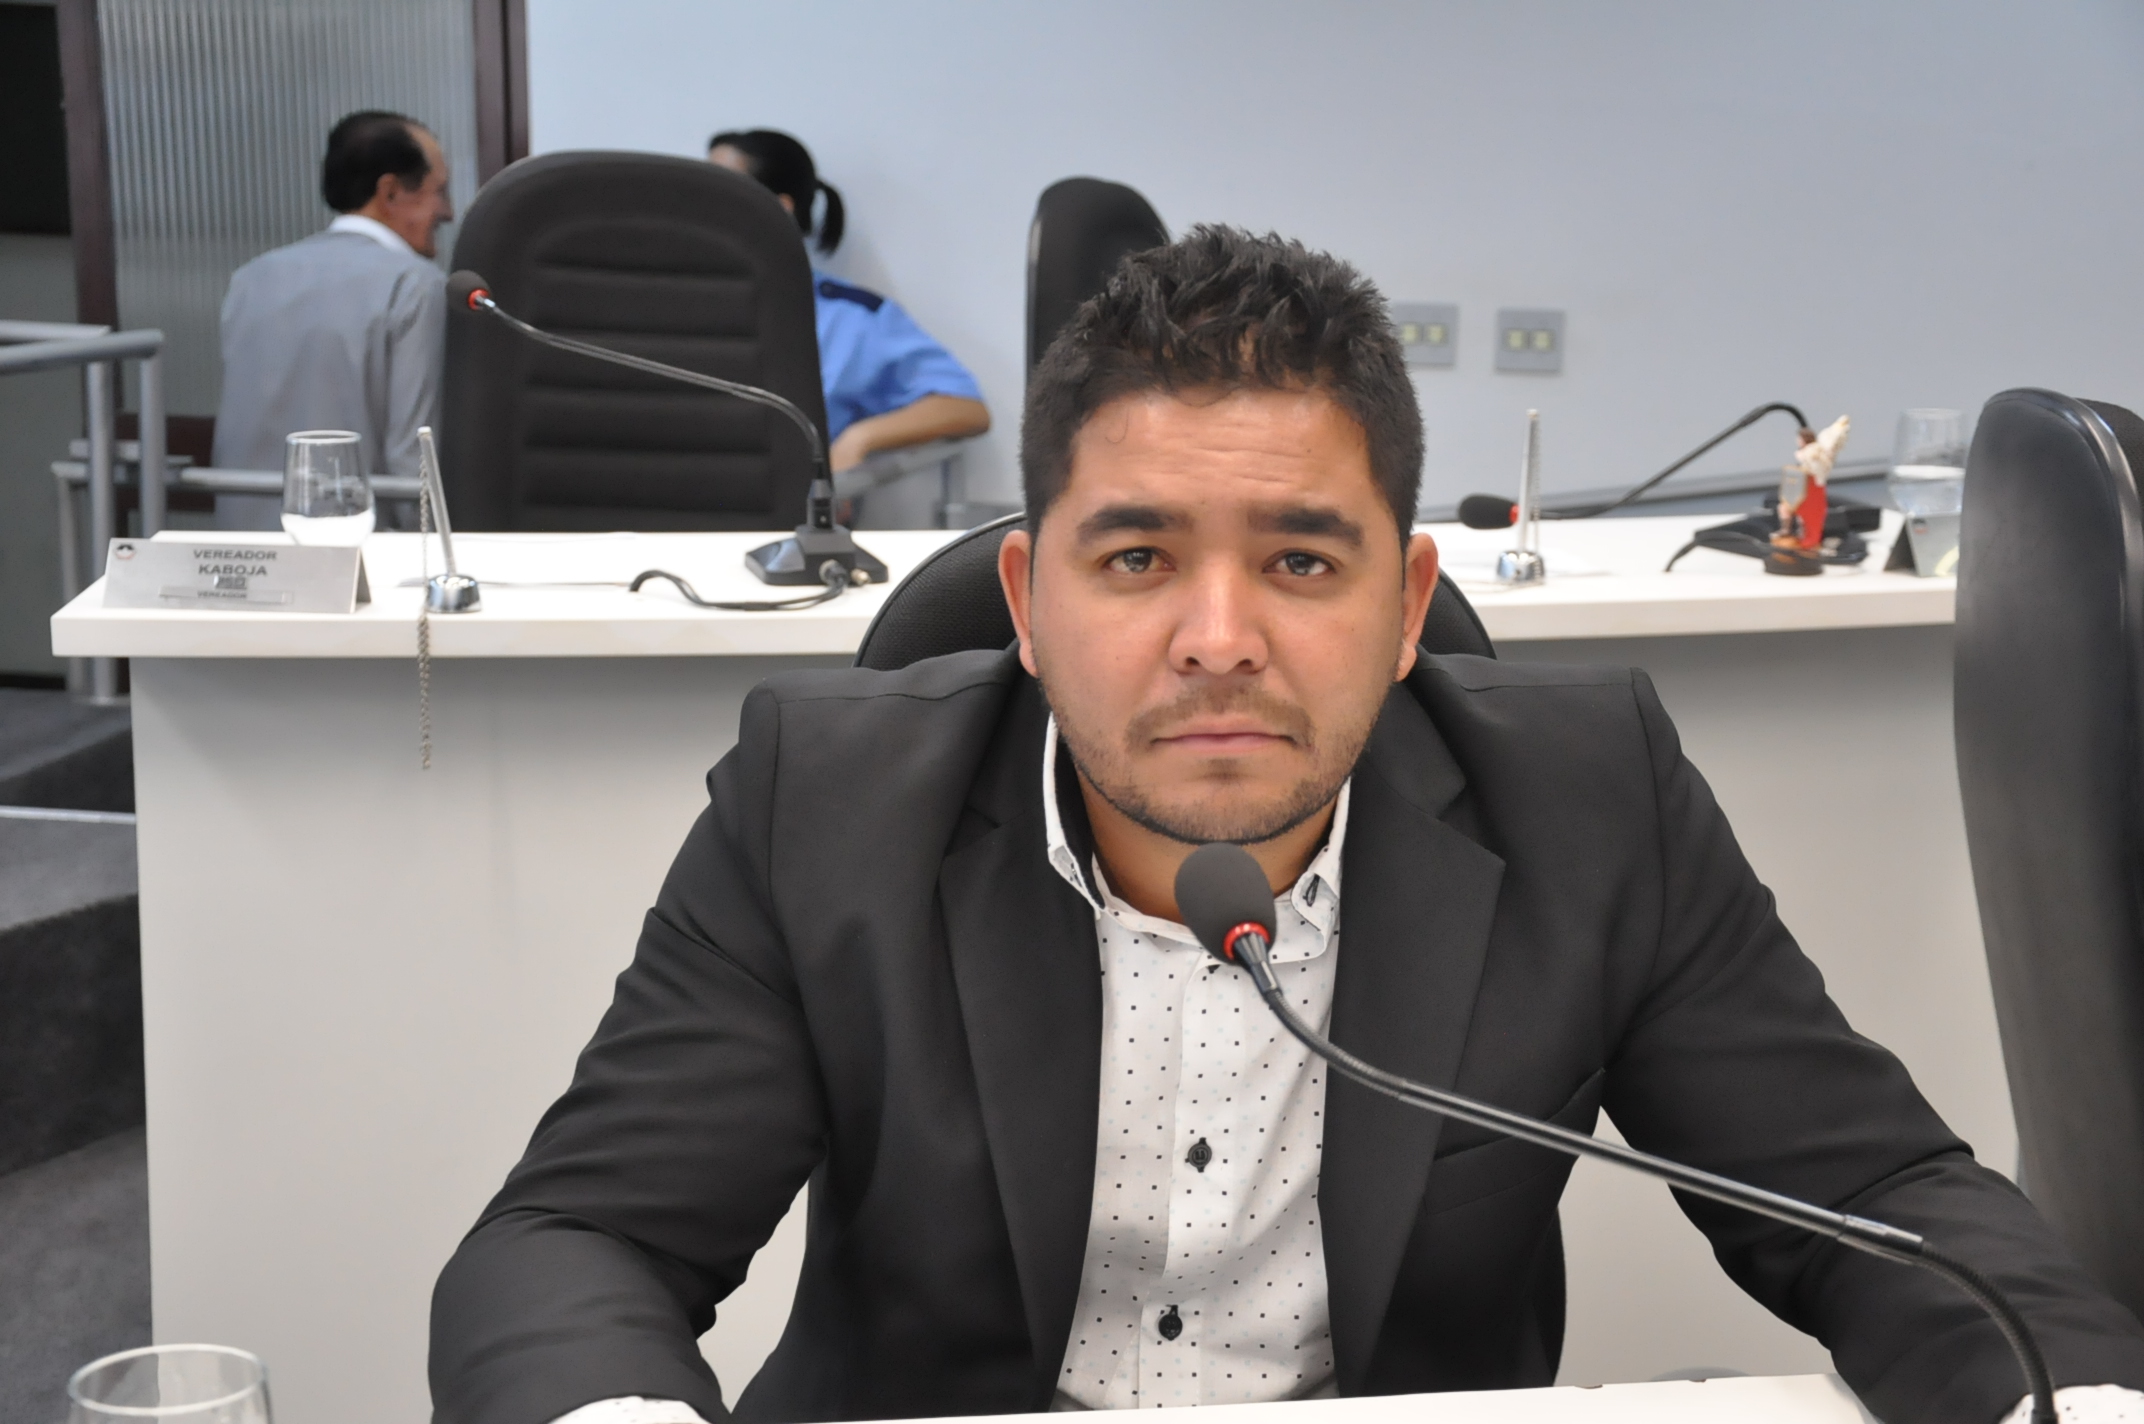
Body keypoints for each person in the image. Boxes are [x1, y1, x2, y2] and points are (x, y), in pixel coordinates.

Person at [430, 229, 2144, 1424]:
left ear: (1404, 604)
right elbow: (578, 1240)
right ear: (1025, 602)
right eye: (1136, 557)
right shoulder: (823, 801)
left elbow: (1872, 1190)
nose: (1219, 637)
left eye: (1302, 560)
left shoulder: (1588, 796)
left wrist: (2066, 1398)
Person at [210, 110, 453, 527]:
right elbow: (414, 458)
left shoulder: (251, 279)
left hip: (244, 547)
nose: (447, 211)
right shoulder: (414, 285)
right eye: (439, 191)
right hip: (356, 550)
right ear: (390, 192)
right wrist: (432, 550)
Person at [706, 129, 989, 475]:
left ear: (777, 208)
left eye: (721, 191)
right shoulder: (672, 303)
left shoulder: (850, 318)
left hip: (785, 500)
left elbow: (966, 408)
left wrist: (860, 438)